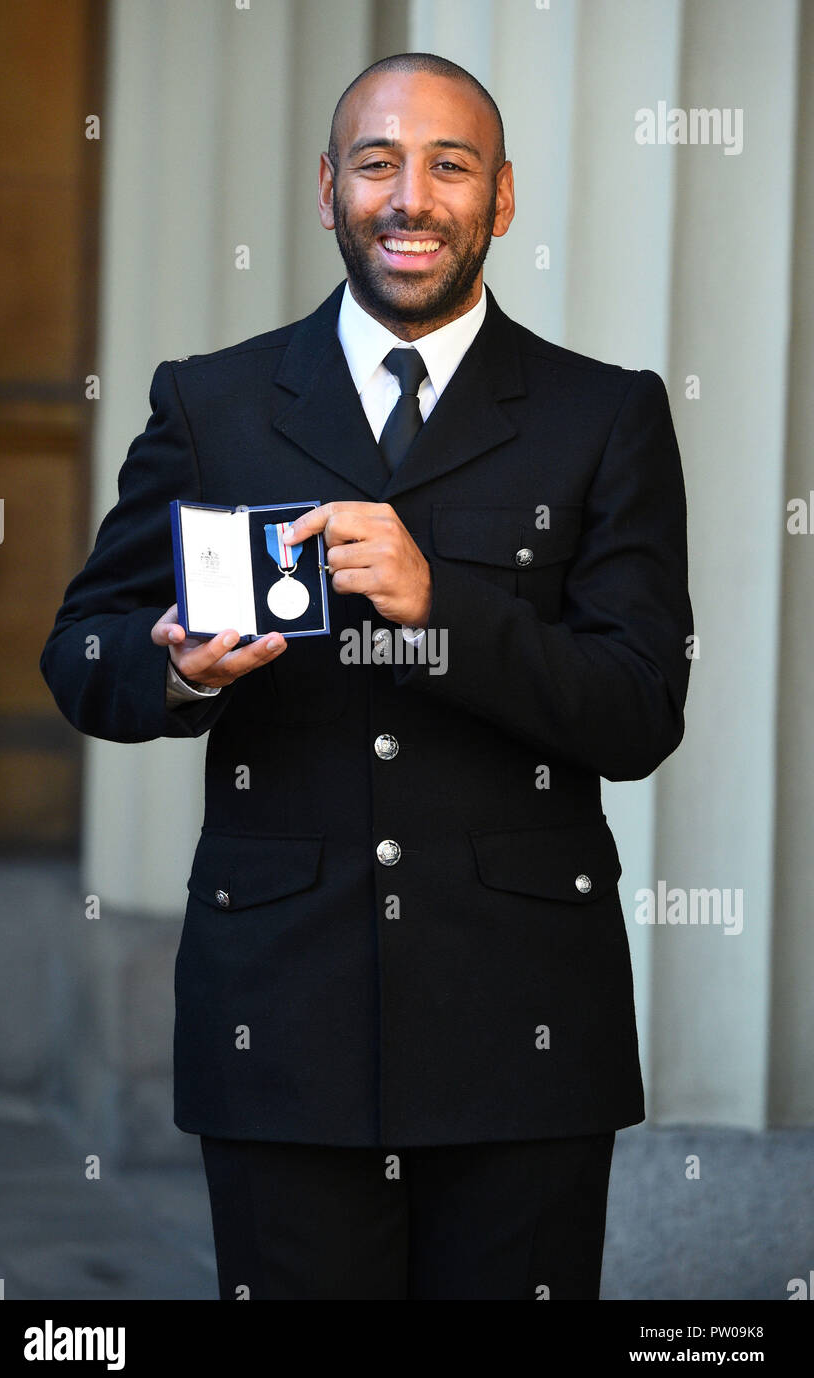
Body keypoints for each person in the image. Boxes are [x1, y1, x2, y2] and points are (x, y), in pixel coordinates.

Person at [40, 52, 693, 1300]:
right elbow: (80, 651)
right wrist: (174, 672)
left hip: (522, 1025)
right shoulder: (211, 403)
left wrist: (445, 604)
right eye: (379, 162)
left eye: (450, 165)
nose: (411, 196)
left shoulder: (604, 416)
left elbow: (639, 706)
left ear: (501, 200)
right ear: (327, 187)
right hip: (281, 1016)